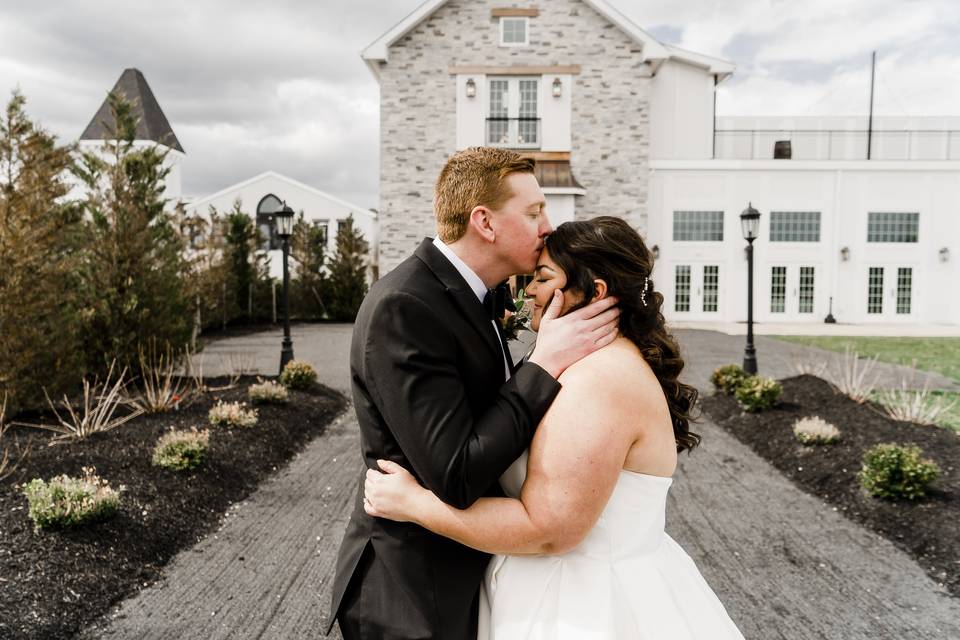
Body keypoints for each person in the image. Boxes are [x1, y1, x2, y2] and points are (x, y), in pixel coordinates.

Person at [363, 217, 746, 639]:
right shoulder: (581, 364)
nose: (528, 291)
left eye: (543, 278)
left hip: (585, 607)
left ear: (595, 292)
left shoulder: (602, 381)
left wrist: (415, 503)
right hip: (549, 588)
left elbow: (548, 530)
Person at [326, 148, 621, 639]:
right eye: (533, 212)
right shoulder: (406, 306)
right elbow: (456, 473)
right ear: (484, 222)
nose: (548, 225)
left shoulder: (476, 296)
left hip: (468, 569)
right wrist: (545, 363)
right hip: (414, 592)